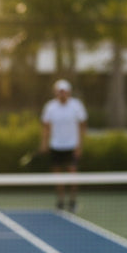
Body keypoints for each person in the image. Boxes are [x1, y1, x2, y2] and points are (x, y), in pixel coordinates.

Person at [40, 78, 88, 211]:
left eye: (64, 91)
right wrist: (44, 144)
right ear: (56, 92)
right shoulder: (50, 107)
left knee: (73, 176)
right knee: (58, 178)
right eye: (59, 91)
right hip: (56, 146)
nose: (62, 94)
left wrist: (79, 146)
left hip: (72, 147)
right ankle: (60, 202)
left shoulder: (76, 105)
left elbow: (82, 126)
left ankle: (72, 202)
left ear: (69, 92)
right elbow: (46, 127)